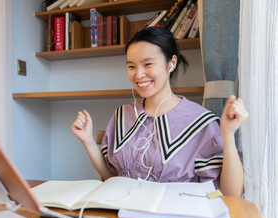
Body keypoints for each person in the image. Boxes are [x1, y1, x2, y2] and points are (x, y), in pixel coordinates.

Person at [71, 27, 248, 197]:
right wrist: (87, 140)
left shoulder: (202, 122)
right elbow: (113, 179)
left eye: (148, 64)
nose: (138, 74)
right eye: (131, 66)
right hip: (124, 216)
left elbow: (230, 195)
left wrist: (228, 135)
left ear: (171, 63)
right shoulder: (122, 115)